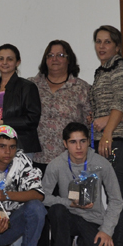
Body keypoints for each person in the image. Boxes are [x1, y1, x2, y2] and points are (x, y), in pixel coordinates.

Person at [41, 122, 122, 246]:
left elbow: (116, 200)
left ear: (88, 142)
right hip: (68, 218)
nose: (78, 147)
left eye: (82, 141)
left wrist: (106, 230)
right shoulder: (56, 165)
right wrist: (69, 203)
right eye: (73, 142)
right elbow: (42, 196)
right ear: (65, 144)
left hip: (93, 221)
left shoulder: (101, 164)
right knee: (57, 209)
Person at [89, 25, 123, 246]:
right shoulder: (102, 71)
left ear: (117, 46)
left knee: (118, 197)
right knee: (110, 195)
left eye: (107, 42)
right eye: (98, 41)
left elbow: (120, 103)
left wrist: (107, 133)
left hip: (118, 139)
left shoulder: (121, 69)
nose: (101, 46)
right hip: (105, 139)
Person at [28, 40, 91, 170]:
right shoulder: (31, 85)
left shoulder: (82, 88)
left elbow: (89, 125)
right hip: (35, 158)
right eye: (50, 55)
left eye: (60, 55)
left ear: (69, 60)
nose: (55, 59)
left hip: (70, 159)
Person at [0, 44, 42, 155]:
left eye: (9, 59)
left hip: (21, 146)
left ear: (17, 62)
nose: (4, 62)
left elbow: (32, 119)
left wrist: (3, 123)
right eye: (1, 59)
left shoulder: (27, 87)